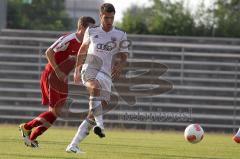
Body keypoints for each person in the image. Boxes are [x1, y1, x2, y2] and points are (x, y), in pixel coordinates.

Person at [18, 16, 95, 148]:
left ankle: (30, 138)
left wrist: (77, 72)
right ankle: (26, 127)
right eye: (90, 28)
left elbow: (80, 58)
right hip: (52, 75)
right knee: (55, 111)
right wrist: (58, 71)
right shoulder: (69, 38)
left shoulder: (86, 43)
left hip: (62, 78)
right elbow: (48, 52)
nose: (93, 31)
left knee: (55, 113)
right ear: (82, 27)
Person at [66, 3, 128, 153]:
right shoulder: (92, 30)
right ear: (100, 16)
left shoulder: (121, 34)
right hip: (89, 69)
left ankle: (73, 145)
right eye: (106, 18)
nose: (109, 21)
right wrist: (76, 70)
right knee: (94, 88)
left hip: (106, 75)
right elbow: (83, 49)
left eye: (112, 18)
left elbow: (124, 54)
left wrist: (120, 65)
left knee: (93, 114)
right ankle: (100, 125)